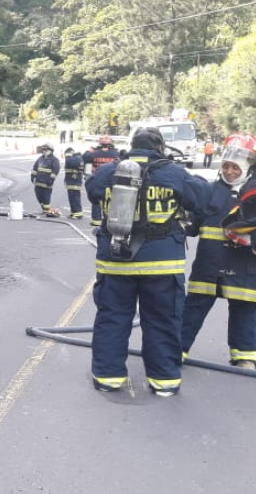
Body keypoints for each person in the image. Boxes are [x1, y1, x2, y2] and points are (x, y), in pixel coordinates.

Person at [84, 127, 211, 396]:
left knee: (113, 318)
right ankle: (164, 382)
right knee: (162, 320)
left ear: (132, 146)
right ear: (160, 147)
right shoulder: (173, 172)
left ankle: (108, 377)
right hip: (162, 264)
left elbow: (92, 190)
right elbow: (202, 199)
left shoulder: (111, 171)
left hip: (115, 262)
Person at [181, 134, 256, 368]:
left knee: (245, 310)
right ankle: (176, 349)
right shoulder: (209, 190)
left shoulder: (251, 195)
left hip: (244, 265)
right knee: (193, 308)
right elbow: (192, 226)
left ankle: (244, 356)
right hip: (208, 264)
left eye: (235, 167)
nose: (230, 172)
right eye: (226, 166)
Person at [82, 135, 119, 226]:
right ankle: (111, 219)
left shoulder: (93, 154)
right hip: (112, 181)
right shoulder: (116, 154)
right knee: (112, 200)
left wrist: (90, 150)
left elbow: (85, 160)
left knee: (97, 199)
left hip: (98, 179)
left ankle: (96, 220)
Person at [31, 143, 60, 216]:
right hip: (38, 182)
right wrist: (33, 176)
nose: (44, 151)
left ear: (51, 150)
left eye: (46, 149)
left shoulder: (54, 160)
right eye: (43, 150)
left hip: (47, 183)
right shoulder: (40, 158)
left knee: (46, 198)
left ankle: (48, 210)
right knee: (38, 196)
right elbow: (35, 168)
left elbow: (55, 171)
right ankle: (45, 210)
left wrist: (51, 180)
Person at [62, 147, 84, 219]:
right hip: (71, 181)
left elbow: (69, 163)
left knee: (75, 198)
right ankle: (74, 212)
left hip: (74, 182)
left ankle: (78, 213)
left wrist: (68, 156)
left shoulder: (77, 158)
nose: (66, 157)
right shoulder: (74, 159)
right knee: (72, 198)